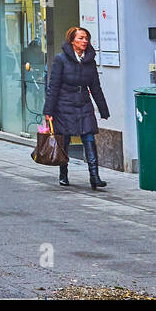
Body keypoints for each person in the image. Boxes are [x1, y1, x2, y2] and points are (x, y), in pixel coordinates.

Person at [44, 26, 111, 189]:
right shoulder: (61, 59)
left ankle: (94, 176)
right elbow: (53, 86)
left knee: (89, 137)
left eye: (86, 38)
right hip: (64, 105)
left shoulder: (89, 61)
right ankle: (63, 173)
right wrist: (49, 111)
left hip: (83, 103)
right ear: (72, 41)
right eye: (80, 38)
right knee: (65, 140)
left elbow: (95, 87)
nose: (84, 41)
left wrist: (103, 109)